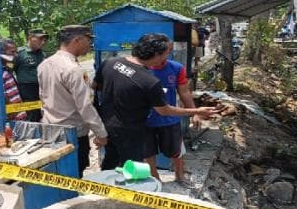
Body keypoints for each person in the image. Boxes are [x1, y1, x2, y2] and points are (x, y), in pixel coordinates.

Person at [93, 33, 222, 170]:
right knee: (129, 169)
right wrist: (196, 111)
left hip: (106, 127)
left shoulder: (110, 63)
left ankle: (104, 188)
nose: (167, 56)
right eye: (166, 53)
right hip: (130, 132)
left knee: (110, 163)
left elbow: (95, 87)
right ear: (156, 55)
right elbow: (164, 110)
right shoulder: (148, 81)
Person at [38, 25, 107, 177]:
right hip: (73, 133)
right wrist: (101, 133)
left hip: (50, 129)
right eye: (88, 41)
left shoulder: (45, 64)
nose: (90, 46)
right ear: (77, 40)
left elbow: (43, 97)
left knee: (57, 174)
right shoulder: (73, 69)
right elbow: (85, 106)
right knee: (74, 174)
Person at [143, 58, 200, 186]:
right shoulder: (142, 68)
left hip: (170, 119)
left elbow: (184, 92)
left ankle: (180, 176)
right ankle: (155, 178)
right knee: (148, 152)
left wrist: (195, 113)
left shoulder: (176, 68)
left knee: (177, 151)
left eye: (167, 51)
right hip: (145, 119)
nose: (162, 56)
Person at [0, 38, 26, 121]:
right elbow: (2, 97)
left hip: (16, 114)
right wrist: (14, 113)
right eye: (12, 52)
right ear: (0, 53)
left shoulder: (5, 66)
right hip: (8, 118)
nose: (15, 55)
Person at [15, 29, 49, 122]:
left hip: (42, 89)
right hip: (27, 90)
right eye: (40, 39)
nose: (43, 42)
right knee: (31, 117)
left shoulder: (41, 54)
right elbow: (11, 71)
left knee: (42, 116)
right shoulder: (20, 54)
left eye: (44, 40)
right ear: (31, 38)